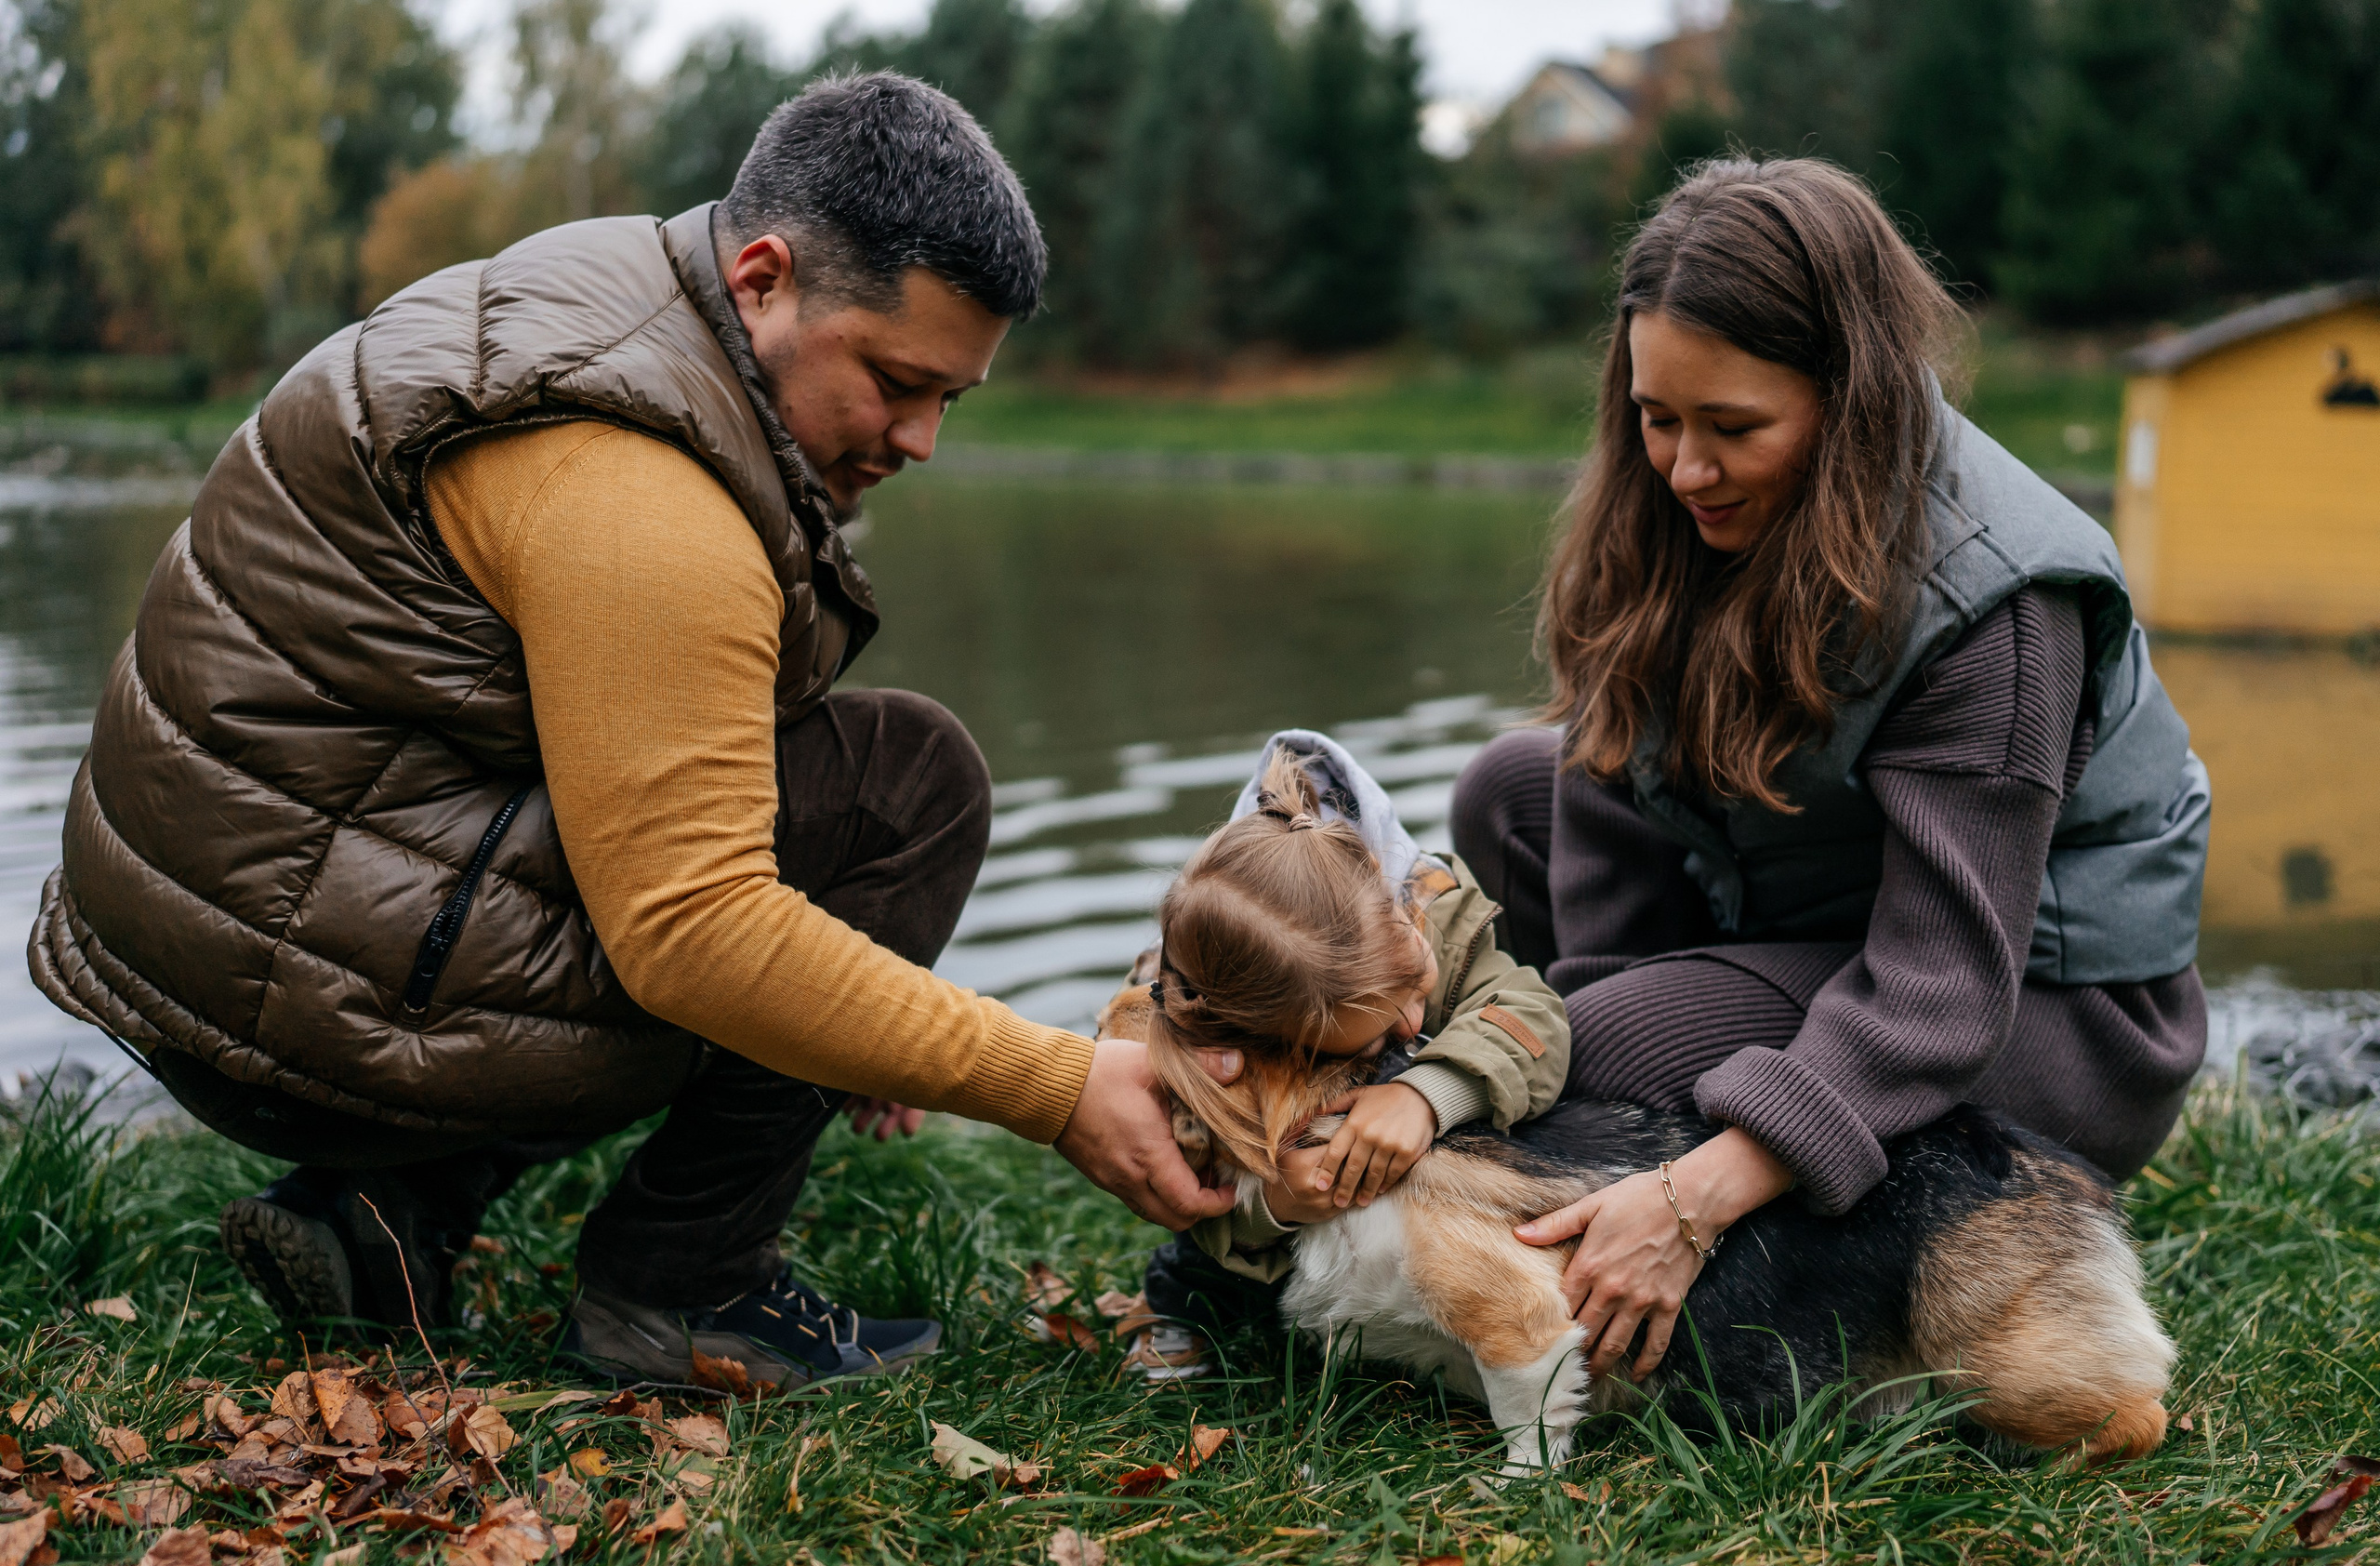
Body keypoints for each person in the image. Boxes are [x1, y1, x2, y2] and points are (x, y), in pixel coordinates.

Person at [26, 73, 1233, 1389]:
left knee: (833, 833)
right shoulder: (641, 497)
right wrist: (1044, 1079)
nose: (923, 439)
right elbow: (694, 934)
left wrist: (866, 1020)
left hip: (241, 926)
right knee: (908, 790)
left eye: (952, 397)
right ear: (766, 275)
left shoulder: (627, 291)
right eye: (896, 380)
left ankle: (393, 1216)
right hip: (285, 1001)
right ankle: (681, 1292)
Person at [1449, 158, 2210, 1396]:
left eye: (1734, 429)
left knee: (1589, 1042)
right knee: (1508, 790)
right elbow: (1607, 778)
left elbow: (1943, 984)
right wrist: (1597, 1066)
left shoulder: (1998, 600)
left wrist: (1691, 1190)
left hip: (2046, 1003)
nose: (1685, 468)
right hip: (1828, 912)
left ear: (1846, 397)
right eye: (1658, 418)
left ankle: (1737, 1150)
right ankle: (1660, 1102)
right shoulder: (1678, 507)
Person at [1113, 735, 1571, 1381]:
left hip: (1437, 1166)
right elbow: (1177, 1175)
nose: (1414, 1021)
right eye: (1377, 1032)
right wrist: (1272, 1206)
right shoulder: (1201, 1035)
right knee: (1203, 1258)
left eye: (1417, 986)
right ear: (1266, 1039)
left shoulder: (1428, 901)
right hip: (1277, 1213)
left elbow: (1533, 1019)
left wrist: (1429, 1093)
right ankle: (1180, 1311)